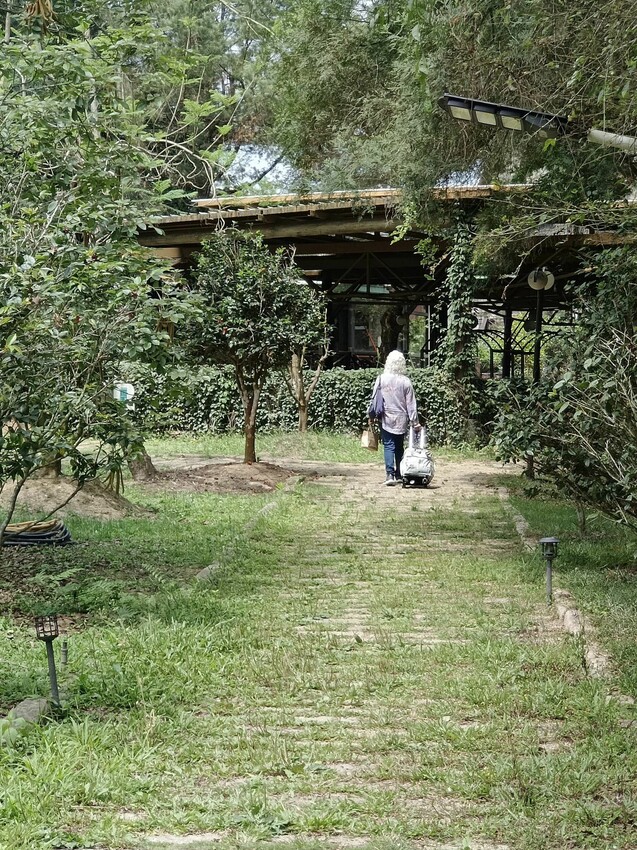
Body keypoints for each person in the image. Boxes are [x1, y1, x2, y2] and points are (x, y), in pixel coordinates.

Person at [369, 350, 420, 486]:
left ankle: (389, 474)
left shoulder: (381, 378)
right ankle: (399, 474)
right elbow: (411, 404)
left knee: (388, 445)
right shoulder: (406, 382)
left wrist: (371, 416)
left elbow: (374, 399)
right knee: (399, 446)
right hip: (401, 418)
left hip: (385, 418)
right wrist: (415, 422)